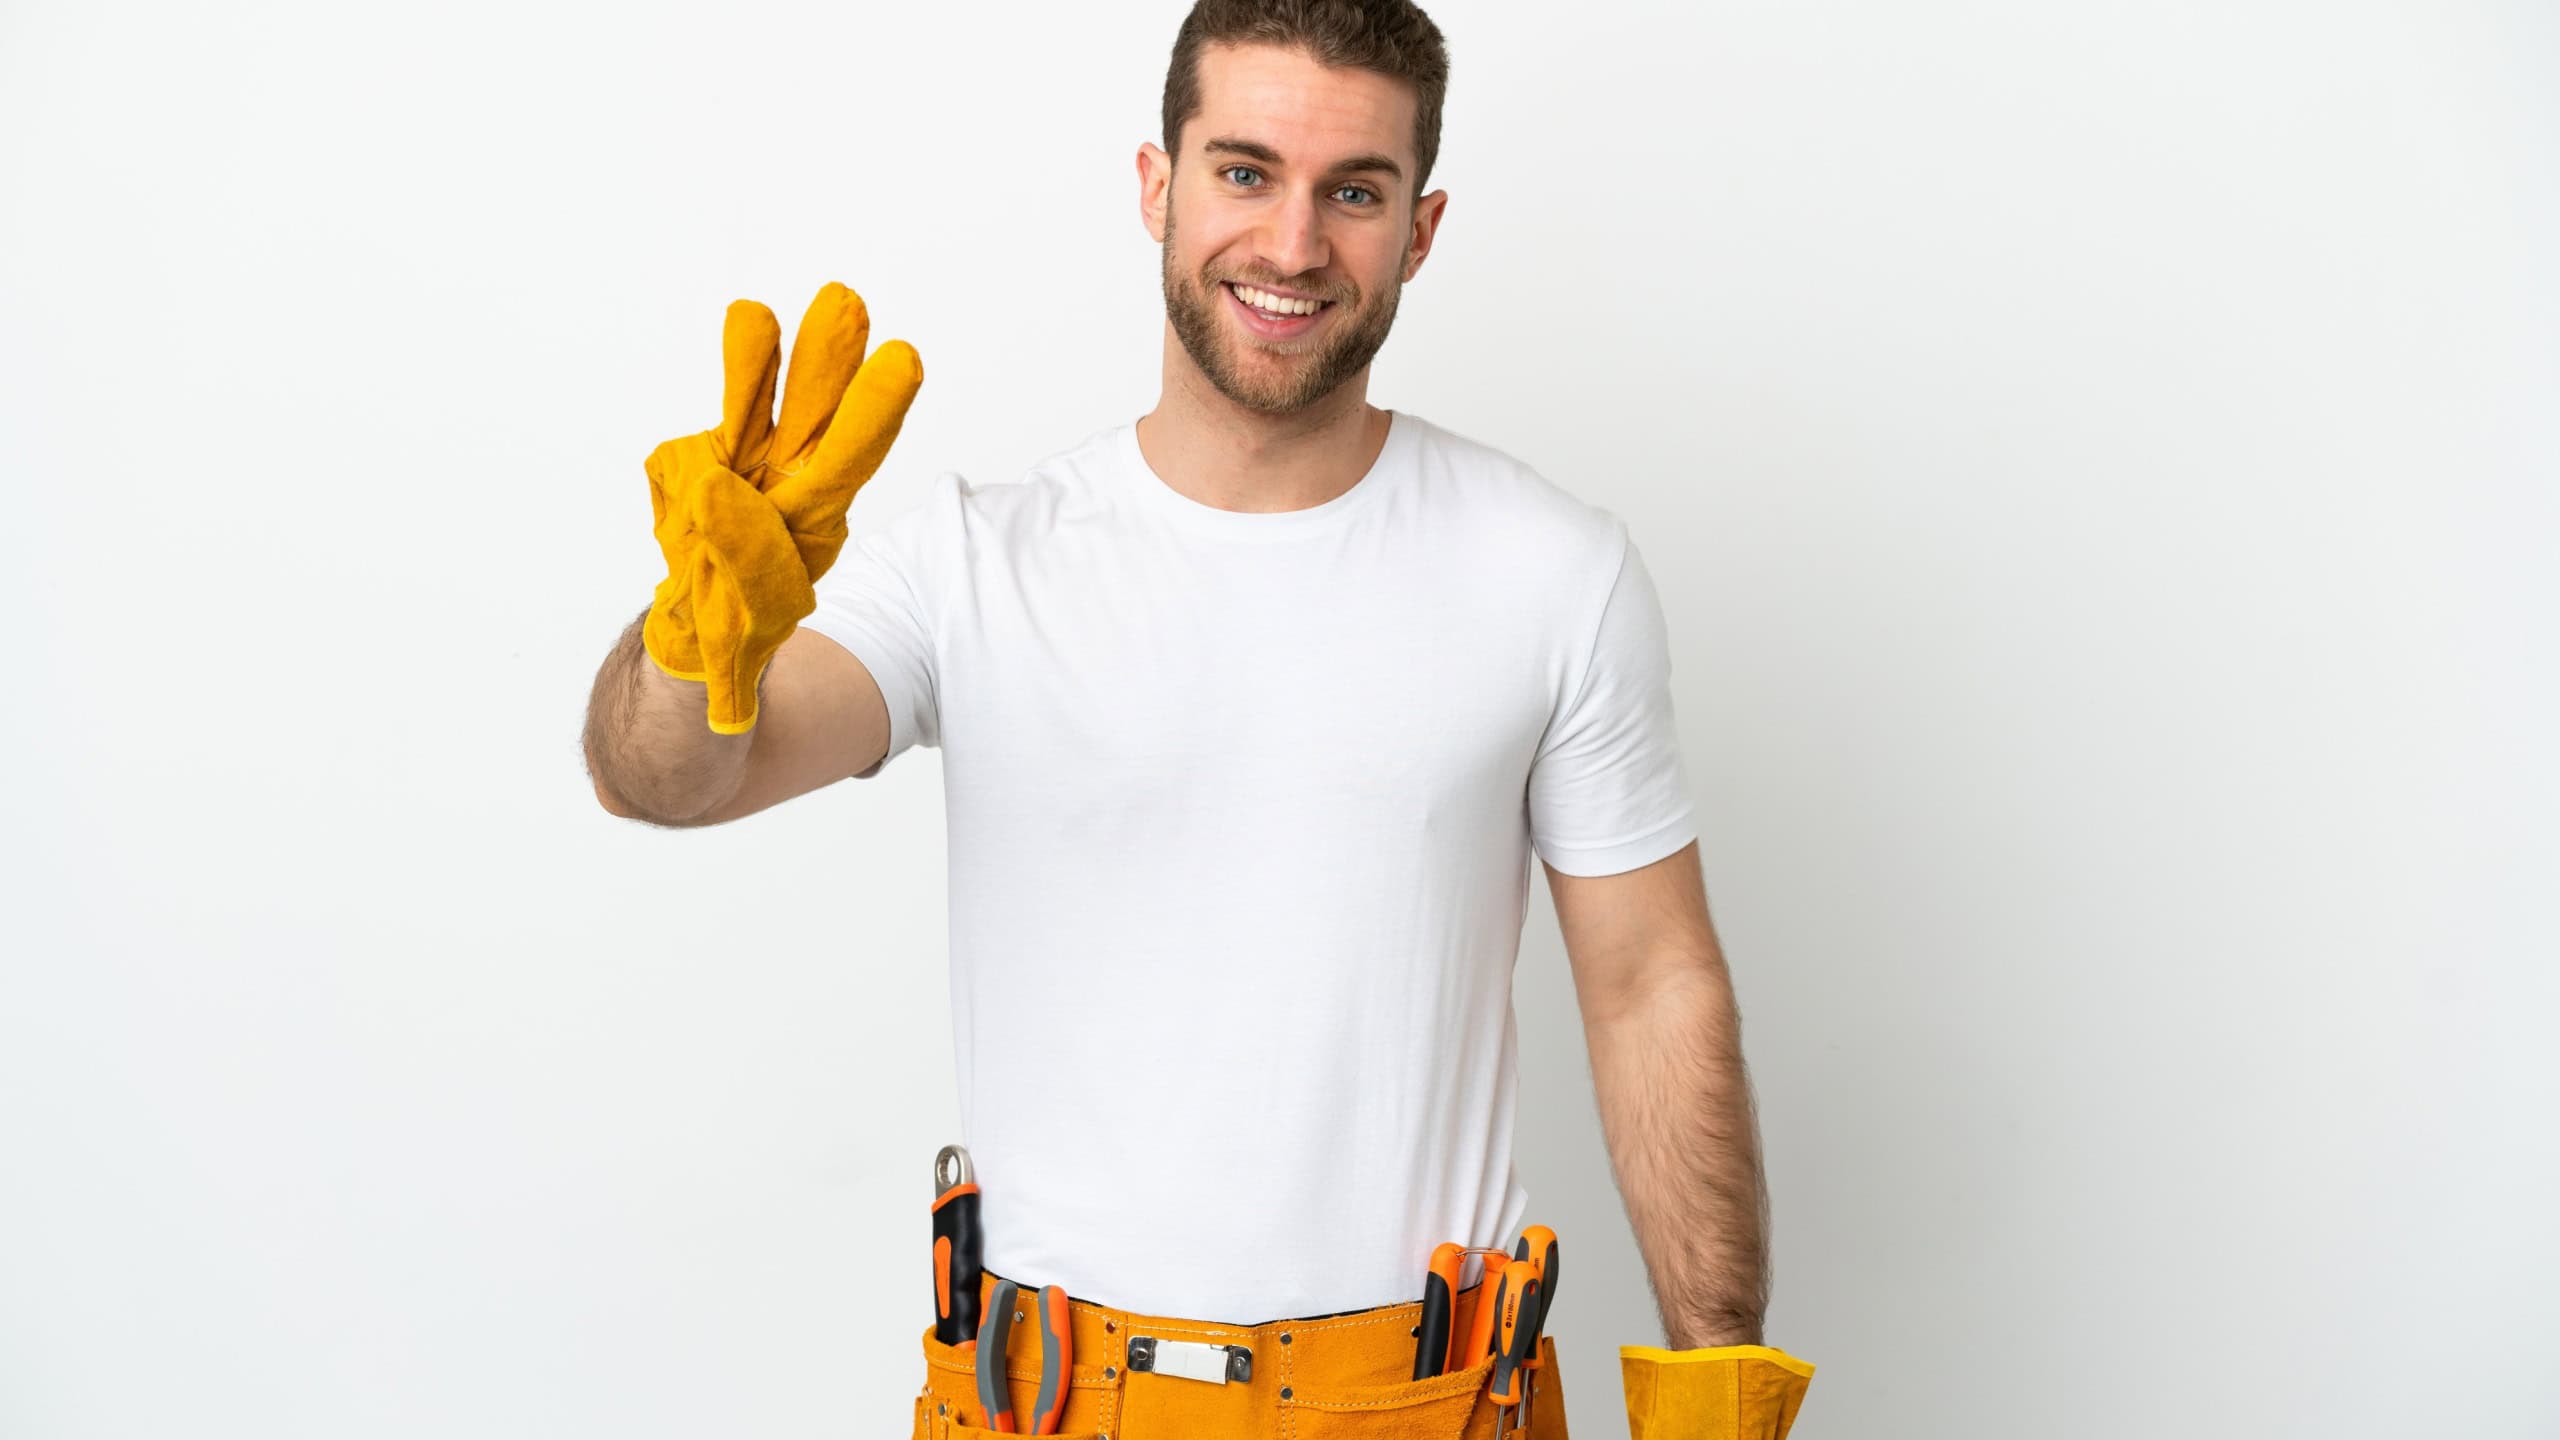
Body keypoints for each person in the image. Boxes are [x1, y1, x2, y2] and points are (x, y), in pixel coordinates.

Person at [582, 3, 1813, 1435]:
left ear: (1419, 228)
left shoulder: (1551, 571)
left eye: (1352, 191)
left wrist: (1718, 1381)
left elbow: (1652, 984)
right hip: (1048, 1406)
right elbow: (665, 781)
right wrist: (692, 645)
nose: (1292, 247)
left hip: (1434, 1407)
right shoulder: (978, 562)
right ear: (1157, 186)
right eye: (1244, 172)